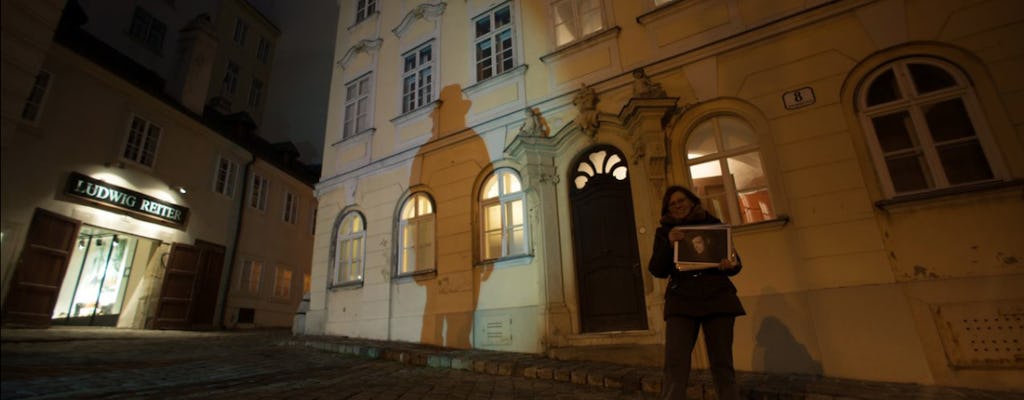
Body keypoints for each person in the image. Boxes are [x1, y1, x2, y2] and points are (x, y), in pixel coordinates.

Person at [648, 185, 744, 400]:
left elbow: (737, 264)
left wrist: (730, 264)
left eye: (681, 200)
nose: (677, 206)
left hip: (718, 297)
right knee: (675, 363)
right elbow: (657, 269)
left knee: (722, 363)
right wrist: (669, 244)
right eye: (672, 204)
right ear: (667, 209)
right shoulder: (664, 232)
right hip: (682, 300)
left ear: (692, 201)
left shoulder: (713, 225)